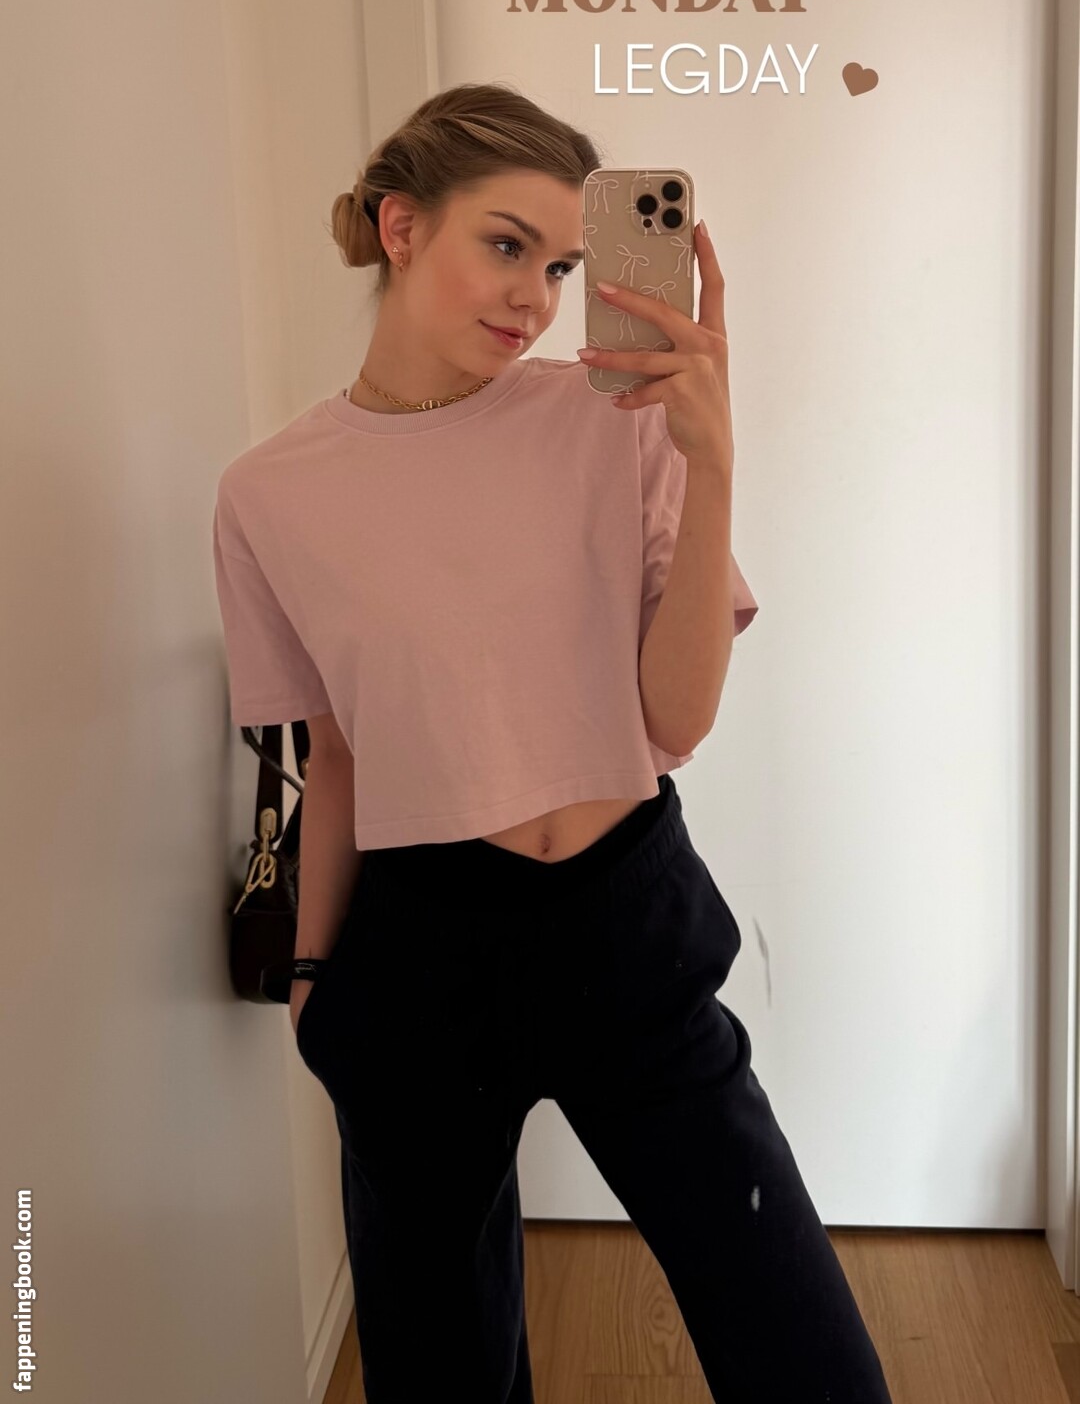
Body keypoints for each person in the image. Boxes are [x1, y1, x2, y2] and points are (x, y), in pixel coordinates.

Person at [212, 82, 893, 1403]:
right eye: (507, 245)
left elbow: (675, 721)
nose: (536, 298)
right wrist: (314, 978)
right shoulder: (267, 495)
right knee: (441, 1373)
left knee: (805, 1356)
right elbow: (338, 755)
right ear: (401, 226)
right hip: (416, 952)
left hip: (625, 924)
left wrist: (713, 461)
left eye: (563, 265)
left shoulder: (612, 417)